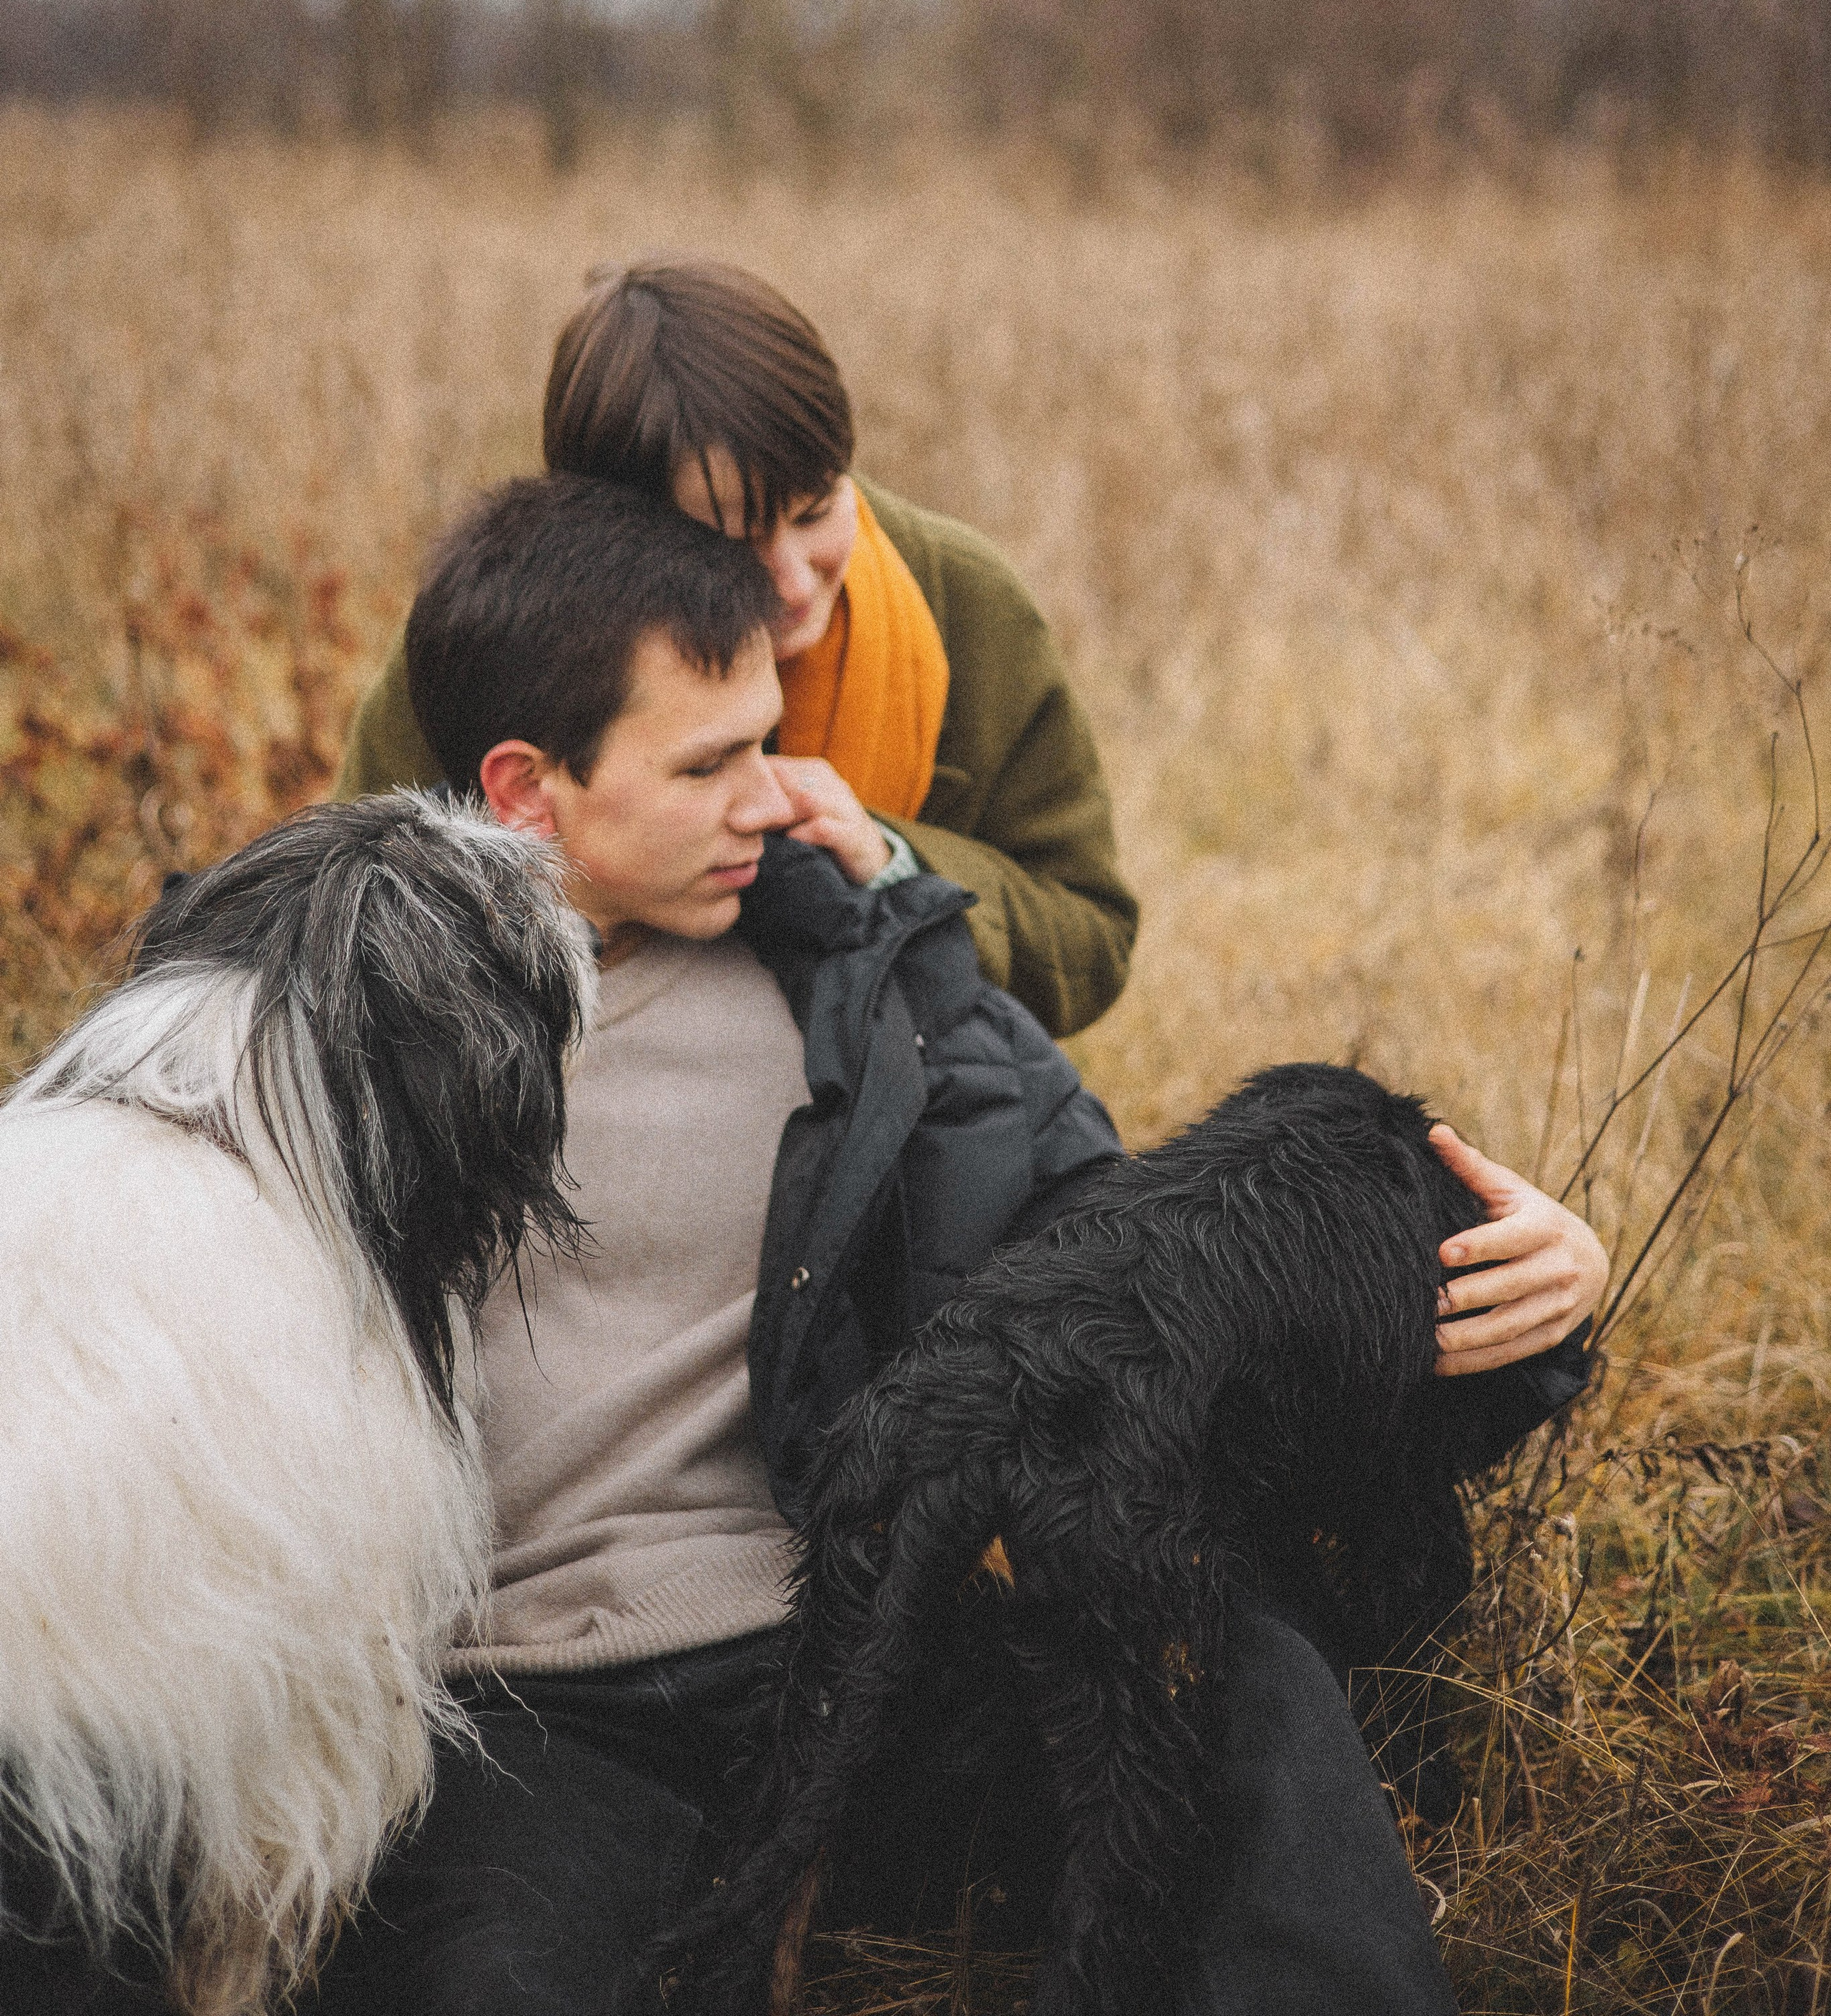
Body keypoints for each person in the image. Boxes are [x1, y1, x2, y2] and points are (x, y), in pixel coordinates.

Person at [299, 473, 1607, 2016]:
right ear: (528, 790)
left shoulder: (866, 974)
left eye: (768, 741)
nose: (774, 797)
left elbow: (1131, 1265)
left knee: (1236, 1681)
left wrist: (1513, 1286)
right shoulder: (340, 1044)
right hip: (545, 1724)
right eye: (710, 763)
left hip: (888, 1647)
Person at [333, 258, 1139, 1038]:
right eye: (733, 540)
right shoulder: (488, 633)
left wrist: (892, 865)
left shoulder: (964, 601)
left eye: (817, 510)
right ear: (610, 526)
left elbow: (1090, 944)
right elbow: (350, 936)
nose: (793, 582)